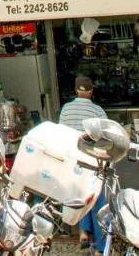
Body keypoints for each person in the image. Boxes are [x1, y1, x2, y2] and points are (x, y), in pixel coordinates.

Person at [59, 76, 107, 254]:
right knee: (96, 199)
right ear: (92, 91)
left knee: (80, 197)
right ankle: (100, 246)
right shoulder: (98, 111)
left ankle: (83, 232)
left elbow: (62, 132)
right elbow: (106, 136)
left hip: (73, 161)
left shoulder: (66, 109)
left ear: (76, 91)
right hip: (93, 161)